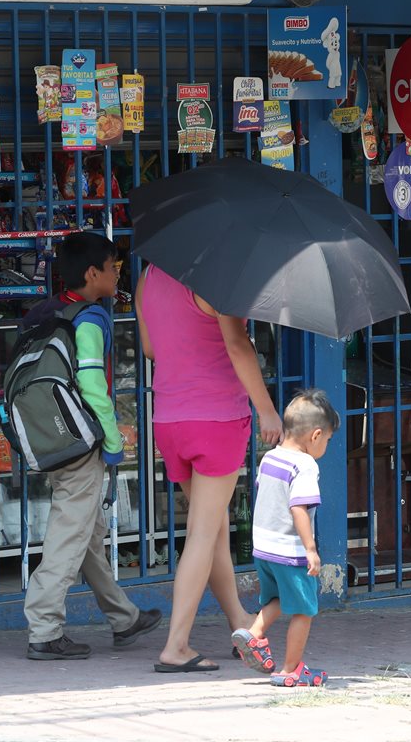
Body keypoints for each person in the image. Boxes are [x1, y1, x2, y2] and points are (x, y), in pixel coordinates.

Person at [136, 263, 283, 673]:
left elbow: (150, 348)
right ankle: (176, 646)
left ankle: (240, 624)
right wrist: (267, 410)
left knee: (213, 528)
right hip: (215, 419)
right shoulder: (219, 279)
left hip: (169, 418)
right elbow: (237, 346)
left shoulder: (148, 277)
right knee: (202, 534)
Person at [23, 232, 162, 660]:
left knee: (88, 537)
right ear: (92, 273)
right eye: (113, 265)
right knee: (69, 536)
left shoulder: (52, 310)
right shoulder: (89, 319)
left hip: (56, 437)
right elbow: (92, 386)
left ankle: (124, 618)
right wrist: (113, 439)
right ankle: (44, 630)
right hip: (81, 444)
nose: (118, 271)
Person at [231, 389, 336, 687]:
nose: (326, 445)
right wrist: (310, 549)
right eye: (327, 440)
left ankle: (253, 634)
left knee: (278, 598)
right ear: (316, 436)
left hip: (264, 549)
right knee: (304, 608)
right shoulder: (304, 465)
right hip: (291, 551)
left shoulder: (270, 458)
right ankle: (292, 669)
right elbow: (298, 507)